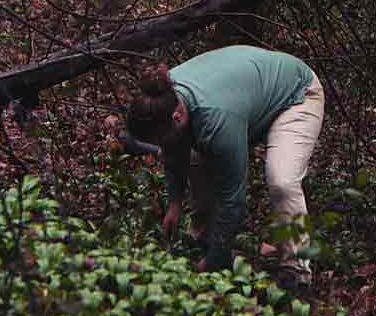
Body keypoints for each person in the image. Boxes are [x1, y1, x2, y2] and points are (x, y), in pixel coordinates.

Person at [123, 45, 325, 284]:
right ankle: (203, 235)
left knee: (282, 180)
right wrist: (174, 203)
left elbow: (234, 198)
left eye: (161, 139)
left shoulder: (216, 119)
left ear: (178, 117)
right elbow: (172, 149)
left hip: (296, 93)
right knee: (197, 157)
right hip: (247, 94)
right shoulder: (162, 96)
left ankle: (296, 269)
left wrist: (216, 258)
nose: (161, 145)